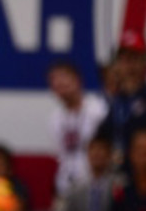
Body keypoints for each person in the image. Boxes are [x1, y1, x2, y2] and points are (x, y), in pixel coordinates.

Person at [94, 29, 146, 172]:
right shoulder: (114, 101)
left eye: (134, 58)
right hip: (117, 179)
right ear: (117, 63)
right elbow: (103, 141)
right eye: (124, 58)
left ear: (145, 62)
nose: (129, 65)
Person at [46, 59, 108, 202]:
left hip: (95, 185)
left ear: (77, 80)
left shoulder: (98, 109)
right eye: (55, 81)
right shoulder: (55, 118)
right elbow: (60, 154)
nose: (60, 83)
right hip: (65, 187)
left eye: (64, 77)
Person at [53, 134, 120, 211]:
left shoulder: (119, 185)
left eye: (101, 149)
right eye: (93, 149)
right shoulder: (76, 187)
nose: (96, 153)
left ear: (109, 155)